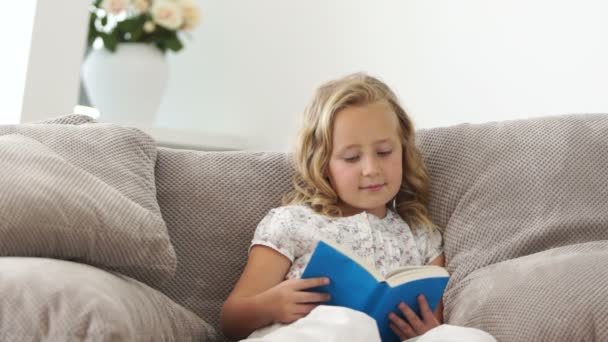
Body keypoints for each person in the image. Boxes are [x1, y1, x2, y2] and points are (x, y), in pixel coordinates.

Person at [220, 73, 495, 342]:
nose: (371, 169)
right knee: (350, 327)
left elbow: (433, 321)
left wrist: (427, 330)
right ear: (323, 163)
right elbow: (231, 320)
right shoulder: (292, 223)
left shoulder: (420, 236)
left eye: (385, 152)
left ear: (403, 150)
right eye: (351, 158)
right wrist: (271, 305)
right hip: (306, 334)